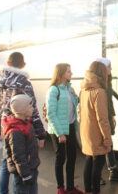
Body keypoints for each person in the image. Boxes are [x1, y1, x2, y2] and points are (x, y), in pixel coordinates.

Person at [0, 52, 46, 194]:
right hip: (22, 128)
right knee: (22, 163)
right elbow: (32, 108)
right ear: (23, 65)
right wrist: (40, 134)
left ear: (7, 64)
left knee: (6, 162)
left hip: (5, 127)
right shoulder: (23, 82)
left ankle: (3, 192)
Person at [46, 63, 84, 194]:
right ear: (61, 73)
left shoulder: (69, 88)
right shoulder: (54, 90)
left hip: (70, 127)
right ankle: (60, 188)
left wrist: (75, 96)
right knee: (60, 158)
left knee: (72, 157)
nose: (71, 73)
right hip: (58, 129)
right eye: (69, 71)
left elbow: (74, 105)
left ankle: (70, 187)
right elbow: (50, 113)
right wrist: (60, 133)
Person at [79, 61, 113, 194]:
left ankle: (87, 191)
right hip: (96, 133)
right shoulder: (99, 91)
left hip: (86, 131)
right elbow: (103, 119)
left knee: (89, 161)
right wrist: (107, 140)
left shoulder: (84, 89)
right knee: (97, 165)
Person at [96, 58, 118, 184]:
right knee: (101, 145)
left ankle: (113, 171)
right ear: (103, 68)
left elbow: (109, 102)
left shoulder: (107, 82)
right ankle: (97, 175)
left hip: (107, 117)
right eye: (109, 66)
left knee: (108, 143)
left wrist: (113, 115)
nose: (111, 69)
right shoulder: (99, 84)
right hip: (101, 119)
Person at [2, 94, 39, 194]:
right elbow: (18, 156)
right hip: (24, 174)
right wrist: (26, 175)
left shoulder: (25, 124)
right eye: (30, 106)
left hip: (30, 169)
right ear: (23, 110)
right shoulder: (16, 131)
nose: (33, 108)